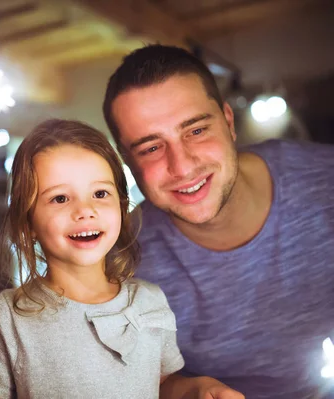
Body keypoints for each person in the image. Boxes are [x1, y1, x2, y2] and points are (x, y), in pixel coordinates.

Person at [0, 119, 243, 398]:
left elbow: (161, 385)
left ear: (122, 206)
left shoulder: (151, 301)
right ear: (28, 224)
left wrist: (198, 389)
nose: (85, 210)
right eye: (60, 198)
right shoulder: (9, 317)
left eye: (100, 193)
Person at [103, 44, 334, 398]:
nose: (181, 167)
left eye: (195, 130)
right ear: (127, 162)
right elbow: (131, 378)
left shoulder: (324, 183)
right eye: (150, 147)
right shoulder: (120, 260)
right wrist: (186, 390)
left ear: (228, 121)